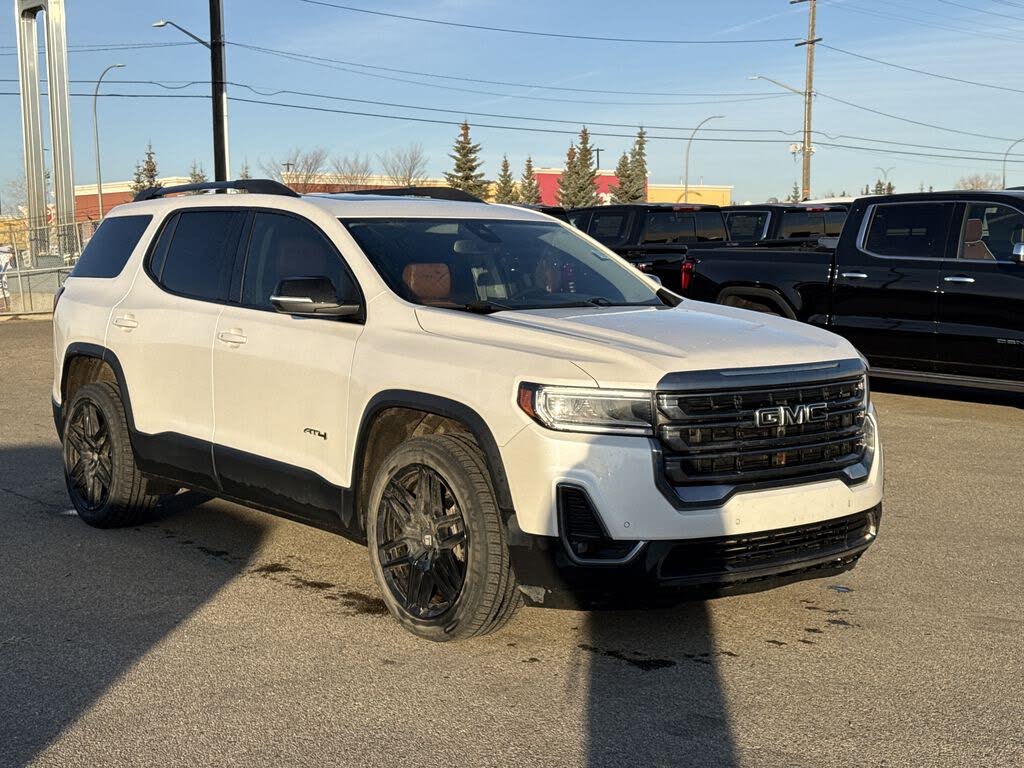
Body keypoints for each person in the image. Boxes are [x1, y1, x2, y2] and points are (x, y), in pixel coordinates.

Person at [0, 245, 14, 314]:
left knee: (5, 292)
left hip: (5, 278)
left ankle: (7, 307)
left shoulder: (5, 252)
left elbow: (10, 249)